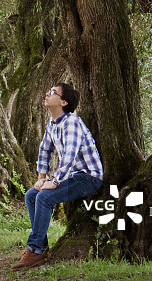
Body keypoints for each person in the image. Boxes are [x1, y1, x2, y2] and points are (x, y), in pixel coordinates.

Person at [11, 82, 104, 271]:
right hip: (72, 176)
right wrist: (41, 177)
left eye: (53, 92)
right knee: (31, 195)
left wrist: (55, 181)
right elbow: (44, 149)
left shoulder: (72, 122)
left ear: (63, 102)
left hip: (88, 177)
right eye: (49, 90)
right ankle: (40, 247)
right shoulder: (53, 124)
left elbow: (69, 156)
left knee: (44, 197)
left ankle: (35, 250)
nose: (48, 93)